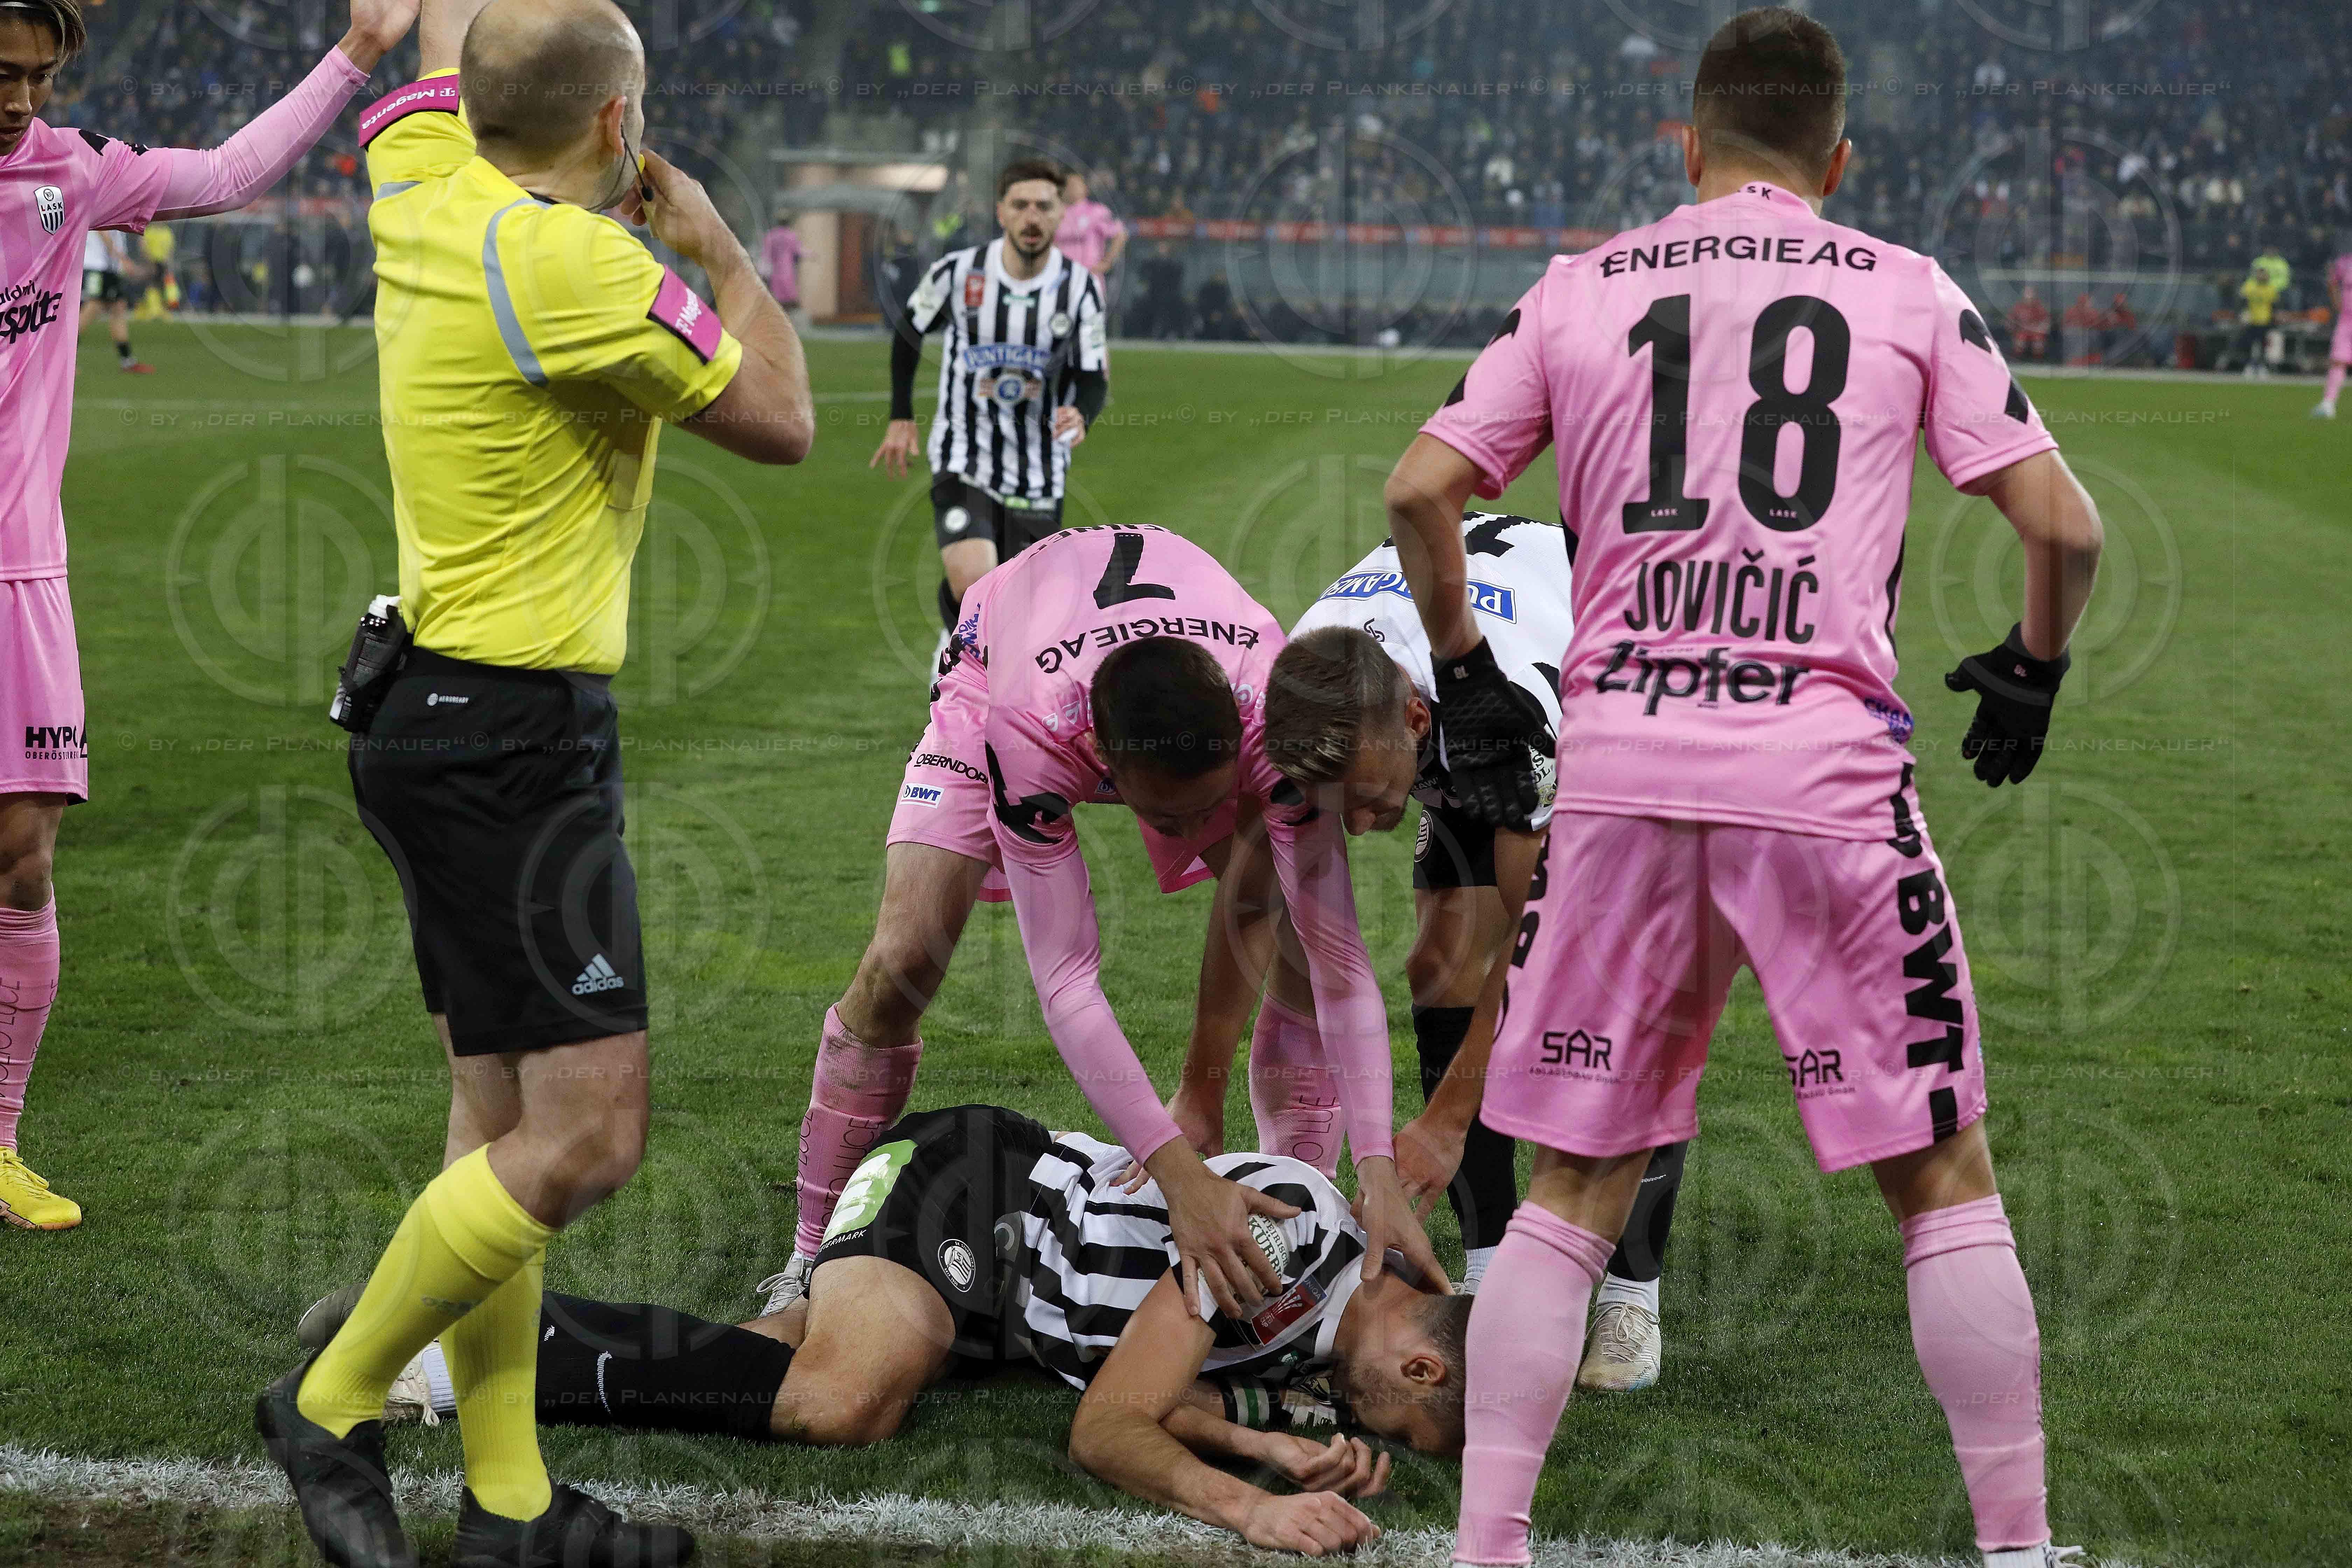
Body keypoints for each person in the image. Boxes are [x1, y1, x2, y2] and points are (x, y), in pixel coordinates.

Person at [1379, 10, 2103, 1567]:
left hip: (1621, 775)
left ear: (1684, 148)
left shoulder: (1580, 286)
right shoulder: (1903, 285)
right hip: (1822, 776)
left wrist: (1463, 675)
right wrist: (2030, 667)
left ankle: (1484, 1545)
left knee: (1567, 1183)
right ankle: (2020, 1552)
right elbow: (2063, 527)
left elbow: (1417, 489)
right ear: (1835, 162)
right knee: (1935, 1175)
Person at [255, 1, 814, 1565]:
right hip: (511, 740)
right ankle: (335, 1393)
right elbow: (780, 418)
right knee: (584, 1140)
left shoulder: (422, 181)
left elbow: (454, 45)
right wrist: (717, 253)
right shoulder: (585, 269)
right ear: (621, 128)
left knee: (498, 1118)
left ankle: (509, 1505)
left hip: (423, 721)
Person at [770, 525, 1441, 1325]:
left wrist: (1378, 1166)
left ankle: (1302, 1211)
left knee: (1297, 936)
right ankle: (812, 1250)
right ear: (1103, 769)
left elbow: (1343, 963)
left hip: (1191, 662)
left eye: (1214, 805)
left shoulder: (1274, 705)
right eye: (1173, 817)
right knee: (904, 959)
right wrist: (1181, 1180)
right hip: (1003, 651)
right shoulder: (1035, 730)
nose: (1200, 828)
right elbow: (1066, 978)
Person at [308, 1103, 1469, 1554]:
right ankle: (438, 1342)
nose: (1385, 1450)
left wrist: (1273, 1442)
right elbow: (1112, 1426)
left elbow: (1190, 1385)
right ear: (1421, 1363)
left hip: (1005, 1307)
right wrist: (1250, 1507)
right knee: (845, 1403)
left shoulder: (1333, 1329)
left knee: (766, 1371)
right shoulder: (1292, 1241)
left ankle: (433, 1350)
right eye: (1407, 1435)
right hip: (966, 1192)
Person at [0, 0, 416, 1234]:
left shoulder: (66, 176)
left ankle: (2, 1141)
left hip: (23, 578)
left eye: (35, 74)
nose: (19, 97)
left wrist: (357, 57)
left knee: (22, 860)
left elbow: (233, 171)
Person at [1167, 512, 1687, 1392]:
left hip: (1628, 684)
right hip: (1459, 673)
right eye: (1342, 807)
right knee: (1440, 964)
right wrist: (1201, 1089)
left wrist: (1445, 1121)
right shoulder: (1296, 699)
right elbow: (1253, 900)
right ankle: (1487, 1264)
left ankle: (1632, 1297)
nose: (1364, 827)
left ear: (1413, 721)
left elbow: (1547, 949)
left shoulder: (1513, 729)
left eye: (1372, 800)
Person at [873, 159, 1109, 637]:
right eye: (1020, 205)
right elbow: (909, 333)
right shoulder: (960, 274)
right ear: (1001, 212)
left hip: (1040, 466)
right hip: (965, 454)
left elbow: (1092, 375)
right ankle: (952, 659)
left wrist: (1081, 413)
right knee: (976, 585)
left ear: (1061, 214)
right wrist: (901, 415)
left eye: (1044, 206)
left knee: (1020, 610)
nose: (1032, 217)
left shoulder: (1080, 289)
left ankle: (966, 651)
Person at [76, 228, 152, 372]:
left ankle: (128, 361)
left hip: (110, 268)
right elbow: (102, 232)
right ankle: (65, 360)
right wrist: (123, 259)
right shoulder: (101, 206)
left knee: (118, 308)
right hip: (97, 267)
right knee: (92, 308)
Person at [1055, 168, 1128, 283]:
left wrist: (1107, 262)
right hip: (1061, 278)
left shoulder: (1096, 211)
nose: (1071, 188)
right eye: (1068, 184)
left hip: (1089, 277)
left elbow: (1120, 234)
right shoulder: (1056, 214)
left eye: (1075, 184)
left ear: (1086, 188)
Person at [2311, 238, 2350, 418]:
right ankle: (2329, 403)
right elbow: (2333, 282)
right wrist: (2337, 304)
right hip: (2347, 320)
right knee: (2338, 361)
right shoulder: (2344, 262)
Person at [759, 205, 803, 328]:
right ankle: (786, 324)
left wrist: (764, 271)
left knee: (778, 298)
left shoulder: (771, 236)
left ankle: (779, 323)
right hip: (787, 270)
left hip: (776, 271)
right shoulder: (791, 236)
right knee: (789, 298)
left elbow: (766, 255)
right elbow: (798, 252)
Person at [2238, 258, 2280, 378]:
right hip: (2252, 320)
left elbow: (2275, 305)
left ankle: (2262, 367)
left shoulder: (2271, 289)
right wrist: (2244, 314)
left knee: (2262, 346)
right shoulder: (2250, 286)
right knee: (2249, 345)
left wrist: (2274, 318)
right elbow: (2242, 301)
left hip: (2265, 321)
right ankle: (2249, 366)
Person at [2004, 284, 2049, 362]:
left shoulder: (2039, 307)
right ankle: (2018, 361)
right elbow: (2010, 320)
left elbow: (2046, 322)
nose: (2029, 297)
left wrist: (2041, 329)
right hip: (2022, 330)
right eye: (2027, 294)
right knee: (2020, 341)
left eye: (2031, 294)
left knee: (2038, 343)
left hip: (2035, 331)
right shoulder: (2018, 307)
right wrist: (2012, 327)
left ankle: (2037, 362)